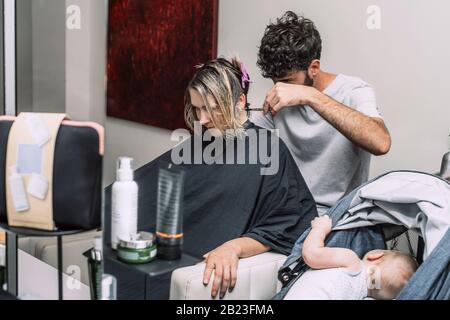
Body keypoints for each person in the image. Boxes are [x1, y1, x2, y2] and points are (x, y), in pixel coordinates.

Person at [127, 57, 318, 299]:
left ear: (239, 101)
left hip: (191, 270)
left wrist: (234, 247)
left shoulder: (268, 150)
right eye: (197, 108)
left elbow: (287, 223)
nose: (202, 119)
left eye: (210, 108)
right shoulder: (201, 143)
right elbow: (145, 186)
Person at [253, 11, 392, 215]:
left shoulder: (354, 91)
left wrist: (310, 95)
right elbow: (239, 142)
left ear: (314, 67)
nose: (281, 89)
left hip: (342, 215)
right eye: (276, 82)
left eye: (289, 81)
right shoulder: (279, 98)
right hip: (292, 214)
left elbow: (381, 143)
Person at [284, 216, 418, 300]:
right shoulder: (360, 295)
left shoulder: (352, 262)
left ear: (375, 256)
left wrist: (319, 229)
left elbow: (311, 255)